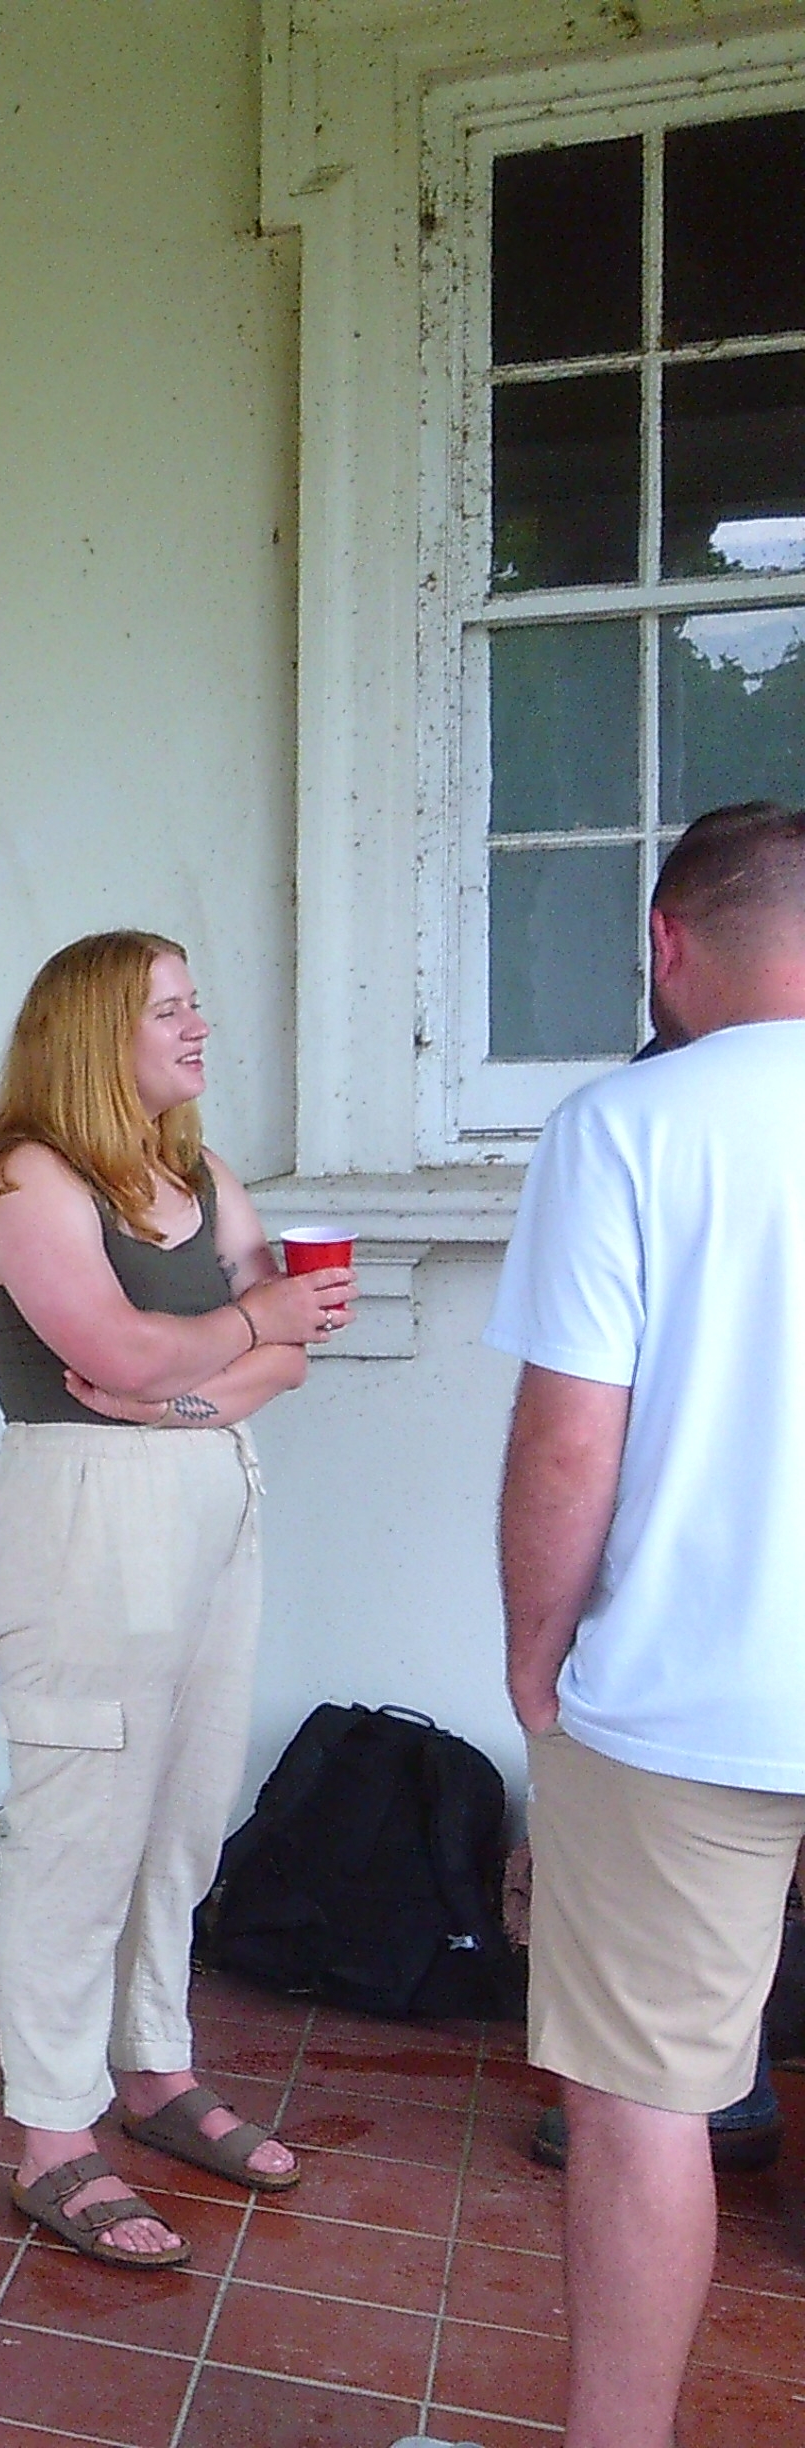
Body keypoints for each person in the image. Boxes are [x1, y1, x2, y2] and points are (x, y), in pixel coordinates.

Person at [0, 930, 354, 2266]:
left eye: (194, 1005)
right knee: (81, 1824)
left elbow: (286, 1365)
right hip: (82, 1515)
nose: (198, 1028)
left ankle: (155, 2073)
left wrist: (176, 1386)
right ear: (92, 1033)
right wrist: (245, 1332)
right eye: (168, 1010)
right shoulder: (22, 1178)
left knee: (181, 1808)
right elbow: (133, 1346)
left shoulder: (199, 1172)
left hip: (206, 1493)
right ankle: (54, 2139)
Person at [488, 802, 805, 2448]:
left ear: (665, 945)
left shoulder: (626, 1126)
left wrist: (532, 1651)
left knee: (641, 2103)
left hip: (683, 1701)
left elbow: (565, 1441)